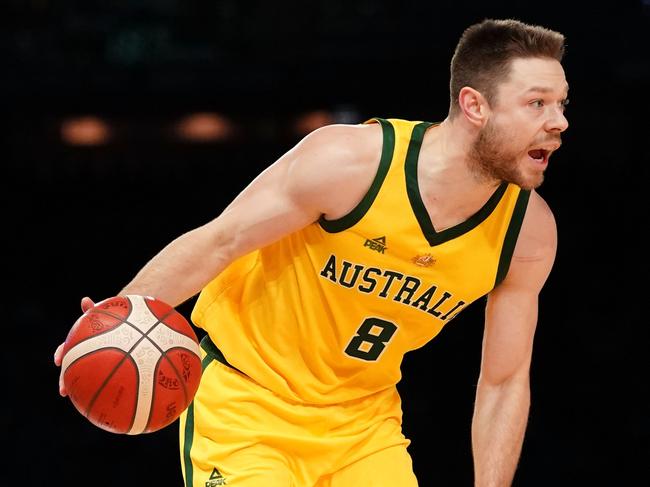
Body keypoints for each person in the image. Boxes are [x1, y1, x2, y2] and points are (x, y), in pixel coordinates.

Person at [55, 17, 569, 487]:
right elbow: (220, 241)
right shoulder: (351, 163)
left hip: (363, 426)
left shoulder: (527, 233)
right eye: (537, 103)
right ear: (475, 105)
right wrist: (111, 320)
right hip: (247, 404)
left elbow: (504, 380)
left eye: (562, 104)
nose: (559, 121)